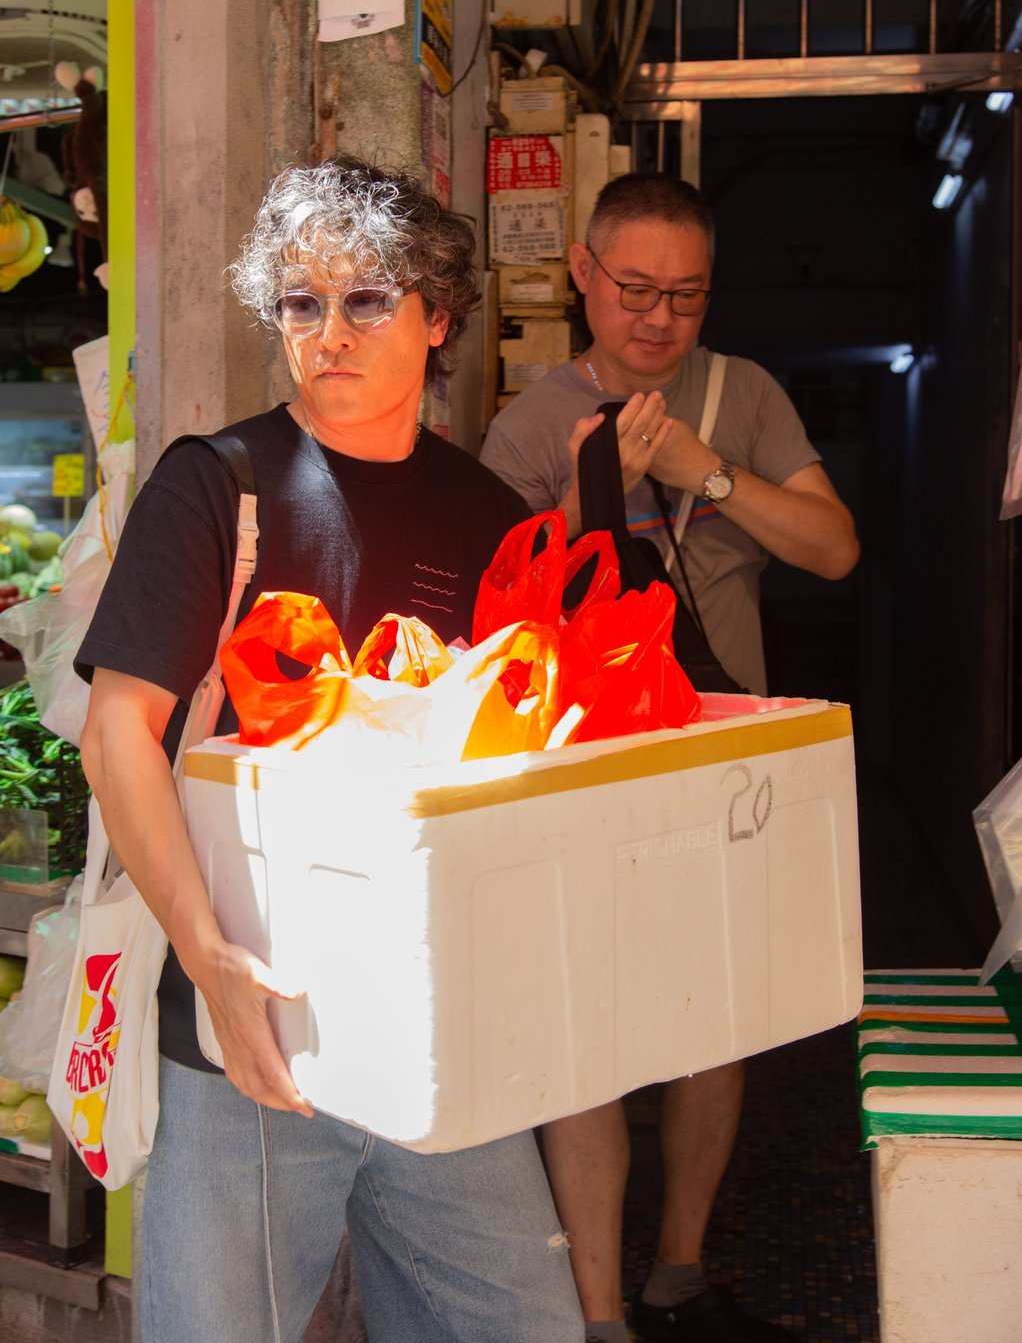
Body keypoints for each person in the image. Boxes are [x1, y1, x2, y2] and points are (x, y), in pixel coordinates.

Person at [75, 156, 585, 1343]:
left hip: (433, 1019)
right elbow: (117, 734)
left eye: (365, 300)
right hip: (248, 1021)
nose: (329, 331)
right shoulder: (216, 486)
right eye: (301, 303)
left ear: (436, 315)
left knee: (521, 1327)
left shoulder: (488, 517)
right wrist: (208, 960)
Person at [480, 172, 860, 1343]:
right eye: (635, 288)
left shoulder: (741, 397)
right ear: (584, 275)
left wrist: (703, 471)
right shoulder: (529, 427)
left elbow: (835, 550)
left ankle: (679, 1273)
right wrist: (601, 492)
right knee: (580, 1032)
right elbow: (496, 630)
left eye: (685, 297)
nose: (657, 319)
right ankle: (598, 1313)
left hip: (720, 764)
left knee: (716, 1017)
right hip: (584, 770)